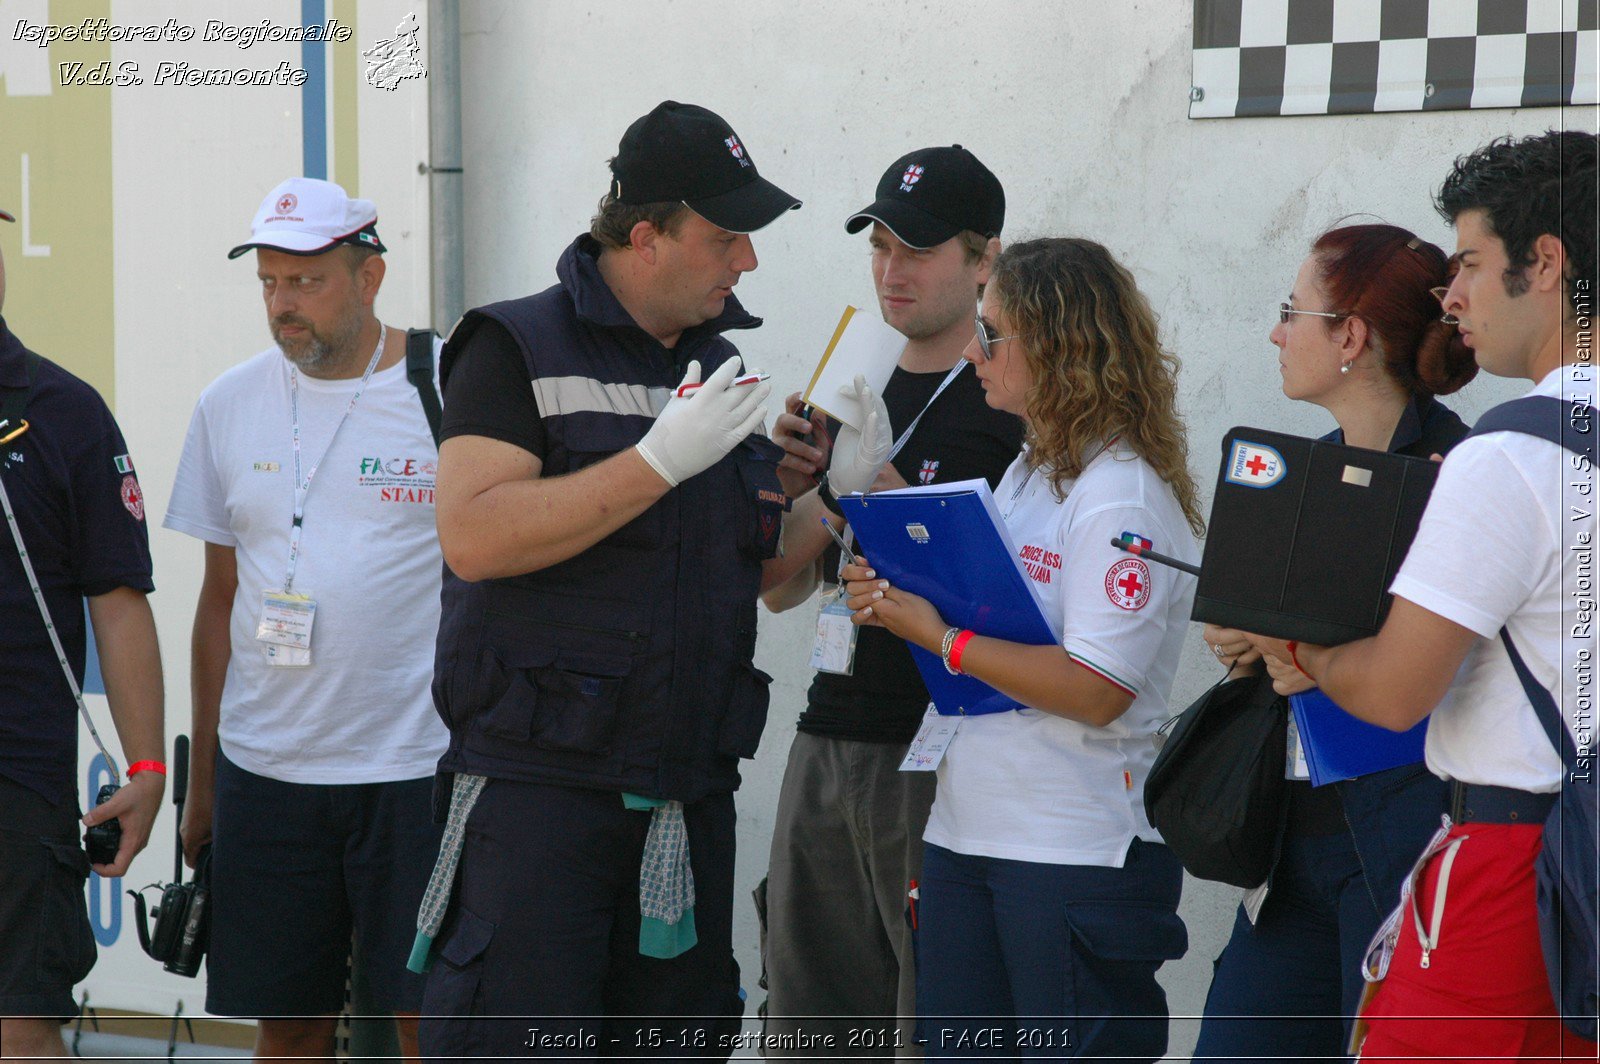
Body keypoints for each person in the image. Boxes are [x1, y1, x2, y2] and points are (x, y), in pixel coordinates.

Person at [419, 101, 839, 1059]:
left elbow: (763, 576)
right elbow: (474, 536)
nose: (749, 262)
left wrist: (828, 498)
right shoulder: (513, 345)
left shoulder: (717, 361)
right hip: (541, 804)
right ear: (646, 236)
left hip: (686, 797)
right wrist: (657, 462)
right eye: (727, 236)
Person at [1241, 131, 1599, 1059]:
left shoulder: (1510, 456)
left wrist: (1304, 651)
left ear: (1547, 264)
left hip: (1519, 875)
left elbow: (1396, 693)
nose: (1454, 297)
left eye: (1472, 263)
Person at [842, 237, 1204, 1061]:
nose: (974, 352)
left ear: (1061, 347)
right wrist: (899, 596)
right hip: (970, 833)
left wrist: (940, 635)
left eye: (994, 334)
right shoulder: (1034, 471)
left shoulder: (1121, 492)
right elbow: (999, 614)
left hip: (1072, 852)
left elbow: (1097, 687)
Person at [164, 177, 447, 1061]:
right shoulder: (227, 402)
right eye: (270, 285)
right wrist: (204, 779)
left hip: (419, 765)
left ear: (371, 277)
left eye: (307, 283)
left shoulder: (446, 385)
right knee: (289, 1027)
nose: (283, 307)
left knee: (428, 1021)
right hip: (268, 771)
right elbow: (220, 600)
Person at [758, 144, 1022, 1056]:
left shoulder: (1008, 394)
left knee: (925, 1018)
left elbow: (988, 593)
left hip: (938, 744)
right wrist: (794, 485)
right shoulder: (849, 378)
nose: (890, 269)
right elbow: (780, 587)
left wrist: (877, 479)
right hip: (827, 729)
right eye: (877, 244)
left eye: (916, 248)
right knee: (812, 1018)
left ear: (984, 259)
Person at [1194, 222, 1478, 1061]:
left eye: (1293, 312)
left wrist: (1303, 653)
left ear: (1350, 335)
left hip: (1407, 832)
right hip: (1289, 839)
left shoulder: (1460, 473)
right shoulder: (1301, 468)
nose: (1278, 333)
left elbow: (1448, 663)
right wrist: (1241, 633)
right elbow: (1253, 631)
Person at [0, 208, 166, 1058]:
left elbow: (119, 599)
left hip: (16, 783)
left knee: (19, 1030)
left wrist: (145, 769)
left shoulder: (61, 410)